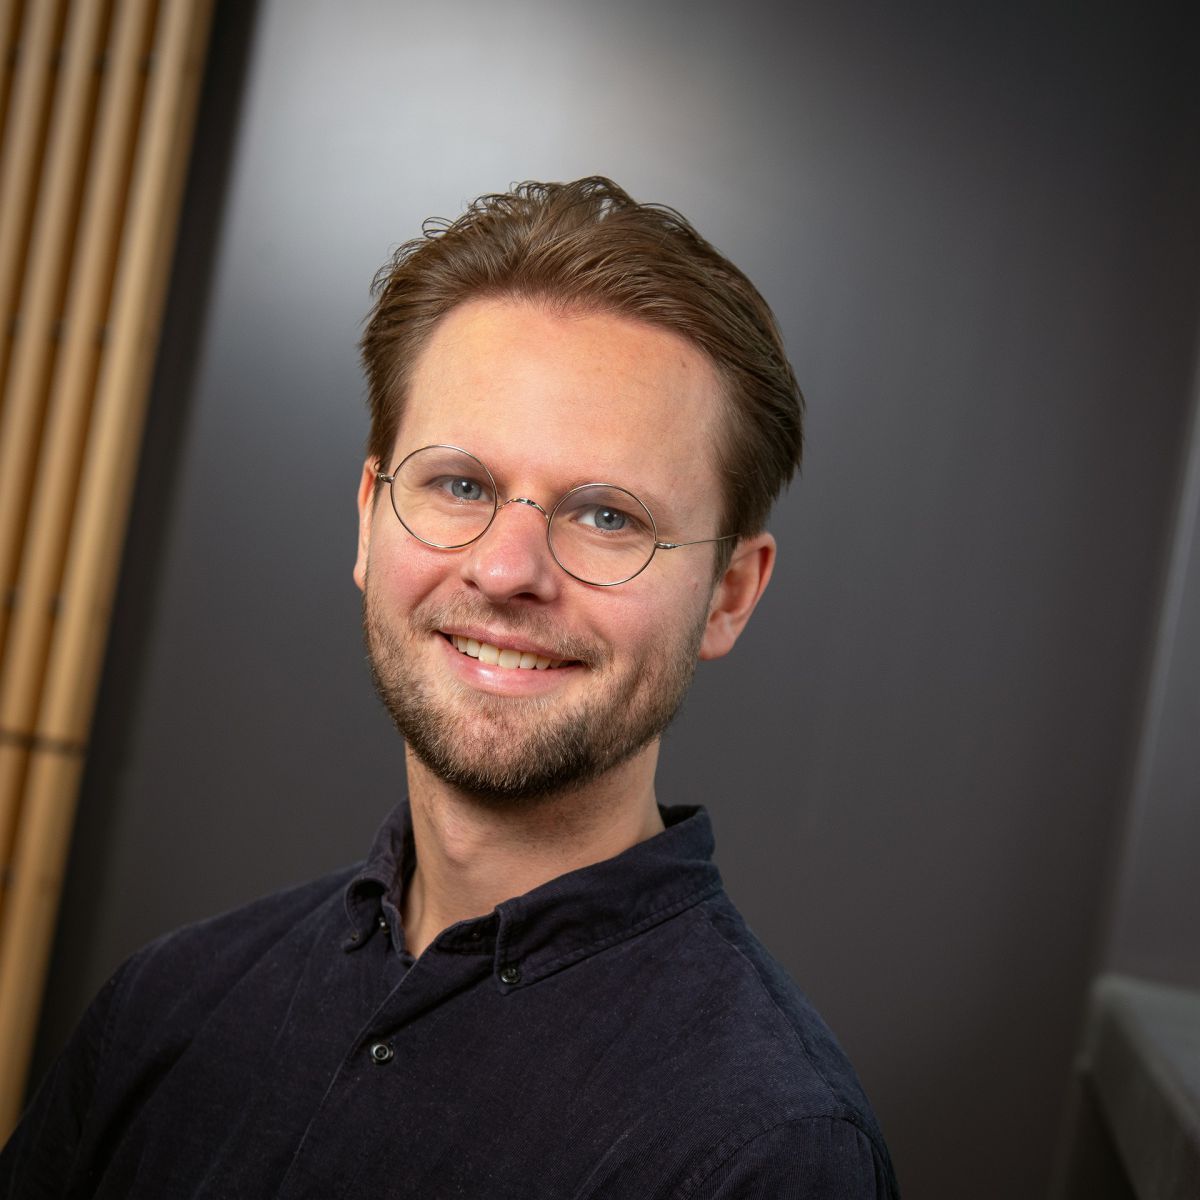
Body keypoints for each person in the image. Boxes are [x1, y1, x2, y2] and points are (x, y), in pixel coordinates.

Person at [1, 178, 899, 1198]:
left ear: (729, 594)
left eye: (608, 516)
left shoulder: (770, 1153)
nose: (506, 570)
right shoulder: (166, 1005)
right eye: (461, 485)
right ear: (368, 517)